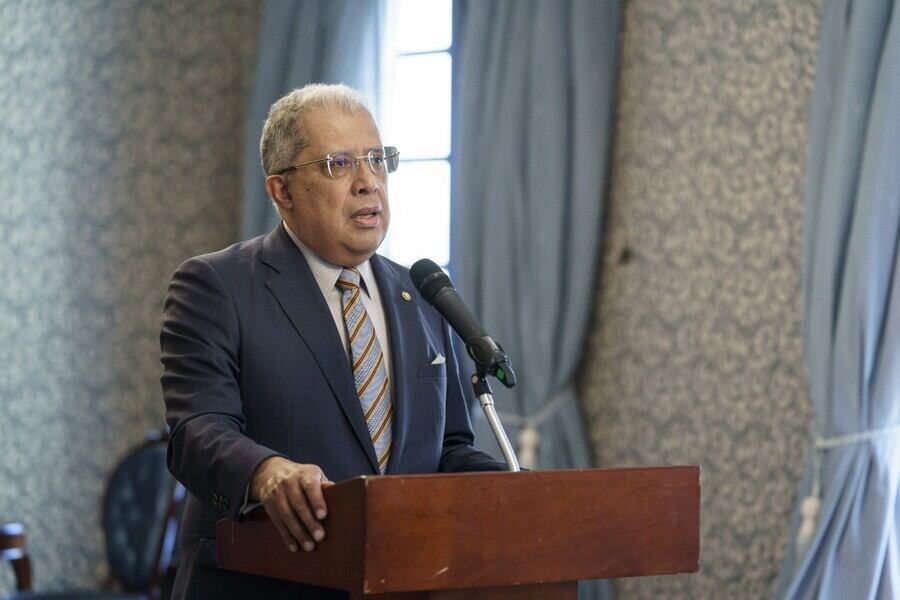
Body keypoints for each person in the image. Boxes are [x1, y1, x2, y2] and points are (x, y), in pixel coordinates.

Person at [160, 83, 506, 599]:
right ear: (282, 191)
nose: (369, 183)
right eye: (338, 164)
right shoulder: (217, 285)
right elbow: (195, 430)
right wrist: (265, 472)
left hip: (402, 583)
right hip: (264, 580)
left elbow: (449, 449)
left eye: (376, 159)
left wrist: (517, 494)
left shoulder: (423, 294)